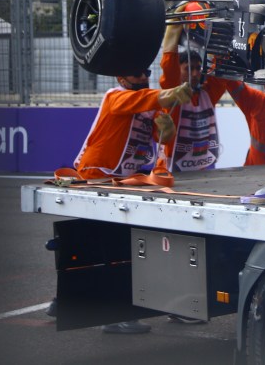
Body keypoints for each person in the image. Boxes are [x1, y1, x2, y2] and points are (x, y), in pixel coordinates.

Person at [61, 69, 191, 335]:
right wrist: (168, 94)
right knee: (114, 247)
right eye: (136, 74)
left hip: (121, 181)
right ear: (121, 79)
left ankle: (68, 302)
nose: (143, 77)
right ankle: (115, 315)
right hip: (96, 176)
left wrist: (166, 132)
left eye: (146, 72)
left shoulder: (146, 102)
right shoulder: (115, 96)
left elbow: (159, 137)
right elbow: (146, 100)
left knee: (100, 245)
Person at [159, 15, 237, 172]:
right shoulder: (171, 94)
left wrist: (219, 32)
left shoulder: (207, 94)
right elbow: (168, 69)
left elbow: (221, 68)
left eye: (197, 68)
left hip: (200, 171)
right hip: (170, 172)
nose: (195, 73)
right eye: (189, 68)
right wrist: (174, 28)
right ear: (178, 70)